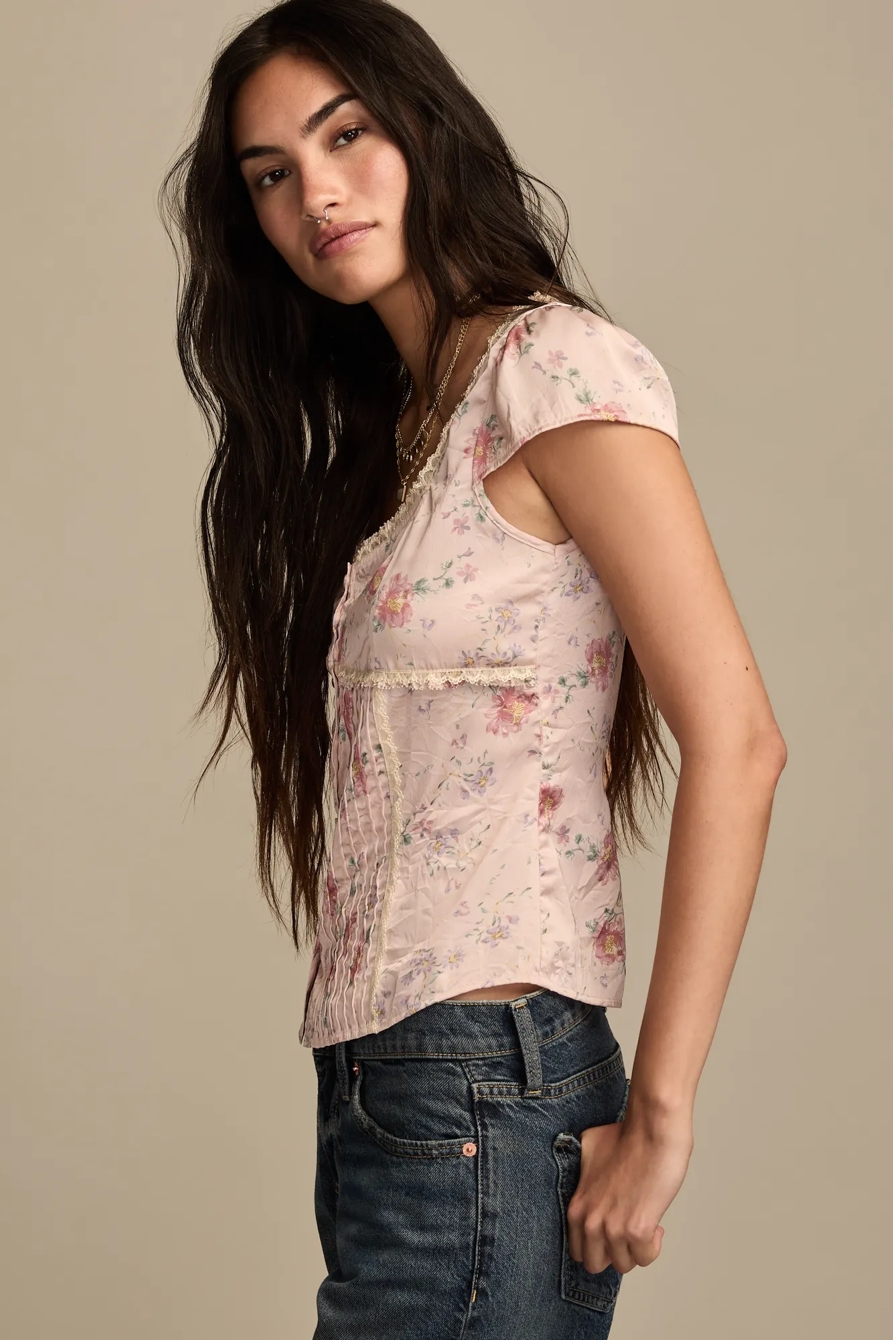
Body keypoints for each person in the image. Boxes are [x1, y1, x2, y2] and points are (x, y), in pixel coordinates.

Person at [159, 1, 787, 1335]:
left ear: (425, 128)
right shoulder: (407, 427)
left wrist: (660, 1116)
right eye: (269, 174)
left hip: (487, 1082)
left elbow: (739, 740)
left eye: (345, 135)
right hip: (390, 1082)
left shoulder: (551, 367)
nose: (315, 194)